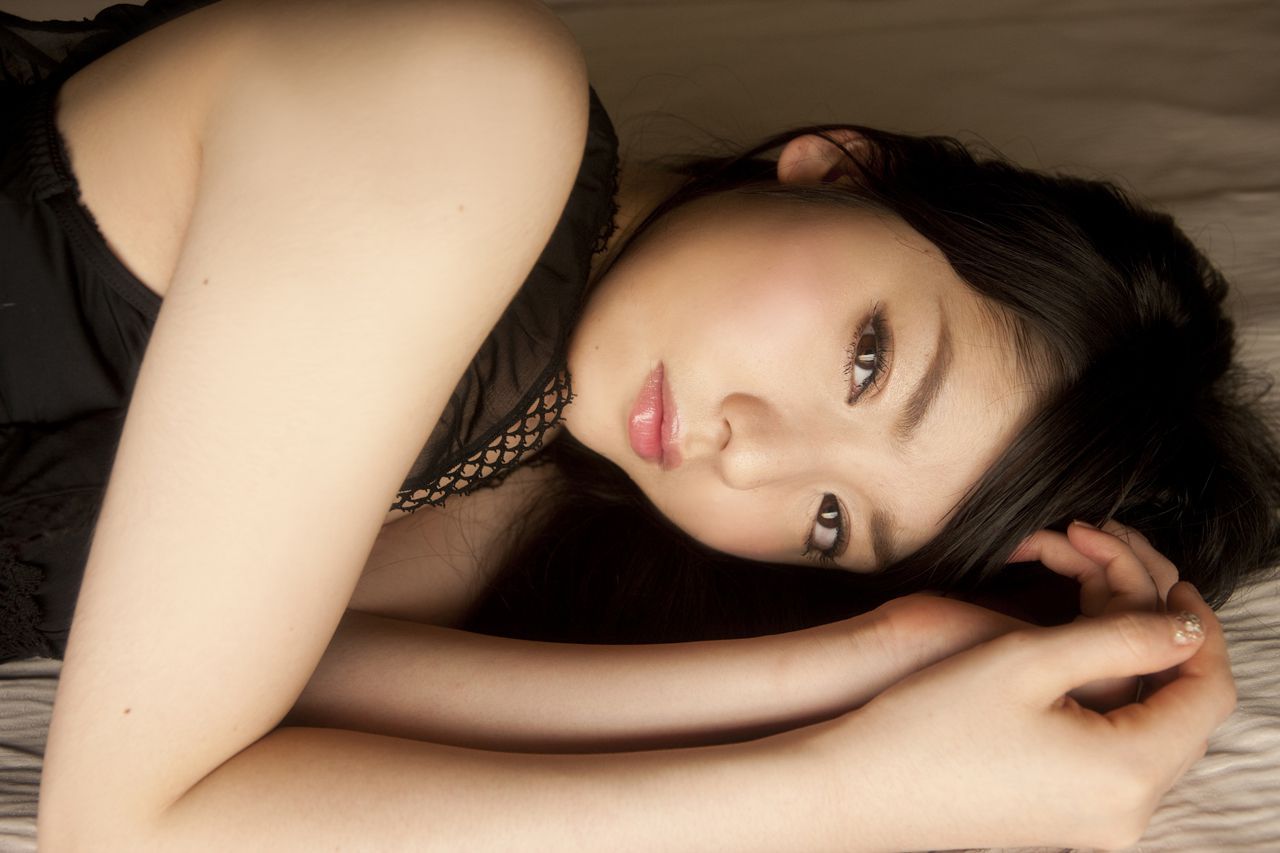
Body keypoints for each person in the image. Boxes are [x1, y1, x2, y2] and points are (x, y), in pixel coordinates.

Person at [0, 0, 1269, 849]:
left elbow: (261, 689)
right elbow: (131, 824)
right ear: (846, 168)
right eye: (868, 360)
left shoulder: (531, 454)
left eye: (832, 521)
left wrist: (883, 658)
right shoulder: (464, 111)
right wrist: (849, 792)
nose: (750, 451)